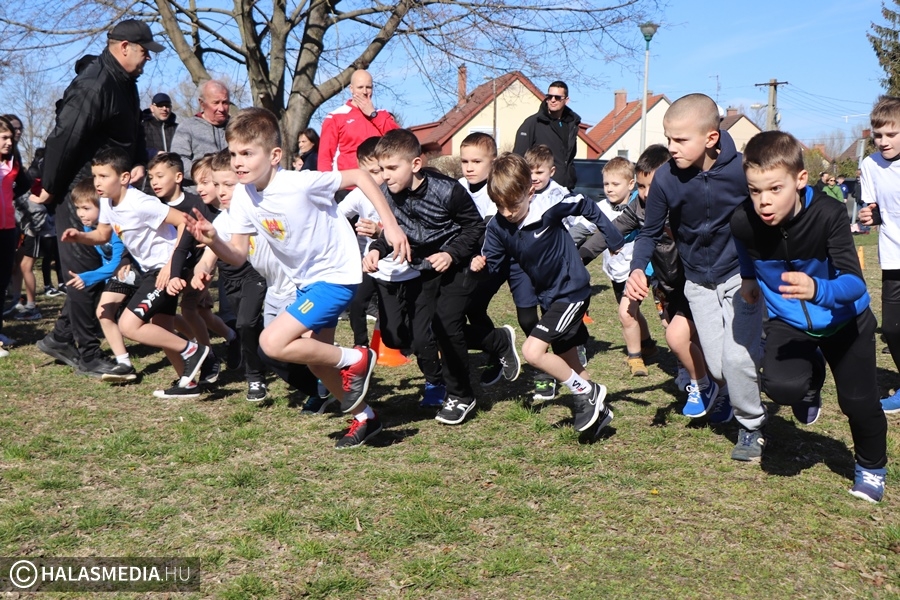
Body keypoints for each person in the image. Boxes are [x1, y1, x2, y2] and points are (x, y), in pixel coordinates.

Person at [185, 107, 409, 449]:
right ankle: (366, 418)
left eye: (247, 153)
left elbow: (361, 177)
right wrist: (213, 240)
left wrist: (390, 226)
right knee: (316, 362)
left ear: (275, 155)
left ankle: (357, 358)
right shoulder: (244, 196)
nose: (238, 162)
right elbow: (238, 254)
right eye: (234, 154)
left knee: (271, 342)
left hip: (337, 274)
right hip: (307, 282)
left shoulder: (299, 183)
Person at [732, 130, 888, 502]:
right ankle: (811, 379)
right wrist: (749, 277)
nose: (764, 202)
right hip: (789, 322)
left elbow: (855, 283)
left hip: (846, 321)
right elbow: (743, 246)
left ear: (800, 180)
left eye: (775, 189)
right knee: (782, 387)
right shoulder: (743, 220)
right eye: (754, 191)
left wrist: (819, 289)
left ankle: (871, 467)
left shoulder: (828, 214)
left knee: (858, 402)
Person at [625, 93, 767, 462]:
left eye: (680, 140)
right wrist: (637, 267)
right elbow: (648, 232)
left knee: (736, 359)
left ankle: (751, 427)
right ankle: (750, 367)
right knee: (719, 367)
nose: (671, 148)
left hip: (739, 276)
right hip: (698, 283)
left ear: (710, 138)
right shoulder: (666, 179)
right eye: (668, 138)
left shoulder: (741, 170)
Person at [32, 18, 163, 377]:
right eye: (144, 51)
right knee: (86, 269)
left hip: (110, 187)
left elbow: (132, 129)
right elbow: (65, 137)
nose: (148, 58)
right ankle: (88, 354)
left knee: (96, 270)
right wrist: (49, 185)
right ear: (124, 47)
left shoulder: (126, 82)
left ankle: (61, 338)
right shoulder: (95, 84)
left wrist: (138, 161)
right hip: (82, 190)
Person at [471, 153, 624, 436]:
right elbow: (493, 263)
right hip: (548, 298)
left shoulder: (549, 208)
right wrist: (480, 266)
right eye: (500, 205)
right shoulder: (498, 226)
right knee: (568, 360)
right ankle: (597, 412)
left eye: (513, 204)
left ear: (529, 191)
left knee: (532, 351)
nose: (507, 212)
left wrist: (613, 238)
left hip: (572, 291)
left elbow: (586, 204)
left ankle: (588, 392)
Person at [61, 147, 209, 398]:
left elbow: (184, 222)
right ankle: (188, 384)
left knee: (128, 325)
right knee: (161, 328)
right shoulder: (107, 201)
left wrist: (171, 266)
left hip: (166, 269)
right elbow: (102, 235)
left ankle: (194, 351)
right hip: (152, 269)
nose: (97, 182)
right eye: (95, 176)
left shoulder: (140, 203)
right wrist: (80, 236)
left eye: (104, 176)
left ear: (124, 177)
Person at [364, 129, 485, 425]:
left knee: (446, 324)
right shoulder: (386, 195)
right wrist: (377, 249)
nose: (385, 176)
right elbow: (394, 233)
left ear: (415, 164)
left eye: (392, 168)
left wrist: (451, 254)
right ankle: (497, 342)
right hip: (424, 269)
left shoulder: (448, 190)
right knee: (420, 336)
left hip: (460, 264)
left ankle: (461, 395)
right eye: (381, 169)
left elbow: (475, 227)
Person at [613, 144, 723, 414]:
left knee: (691, 338)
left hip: (697, 283)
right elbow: (622, 232)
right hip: (665, 283)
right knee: (674, 331)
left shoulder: (688, 205)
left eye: (651, 186)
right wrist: (578, 254)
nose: (646, 193)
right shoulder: (641, 209)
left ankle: (712, 386)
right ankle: (698, 379)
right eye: (641, 187)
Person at [146, 152, 238, 384]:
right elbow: (179, 245)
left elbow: (213, 243)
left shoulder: (206, 207)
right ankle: (228, 338)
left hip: (201, 268)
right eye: (151, 177)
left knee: (189, 310)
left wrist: (204, 267)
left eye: (160, 176)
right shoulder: (163, 206)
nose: (200, 188)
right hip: (181, 269)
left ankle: (208, 356)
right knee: (196, 312)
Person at [191, 150, 269, 402]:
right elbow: (207, 259)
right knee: (249, 326)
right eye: (217, 185)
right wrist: (200, 273)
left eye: (228, 185)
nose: (221, 192)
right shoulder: (222, 221)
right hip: (232, 281)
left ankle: (255, 377)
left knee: (245, 323)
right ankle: (262, 358)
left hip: (257, 275)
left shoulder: (261, 209)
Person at [457, 132, 521, 392]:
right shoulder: (458, 187)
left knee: (469, 305)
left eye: (476, 161)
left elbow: (485, 230)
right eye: (465, 161)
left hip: (495, 261)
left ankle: (499, 346)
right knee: (471, 309)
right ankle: (496, 347)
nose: (469, 168)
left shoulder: (495, 189)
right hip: (468, 261)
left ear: (493, 163)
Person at [65, 177, 136, 382]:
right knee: (104, 312)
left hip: (136, 272)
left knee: (158, 319)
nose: (80, 214)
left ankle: (192, 342)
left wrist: (88, 277)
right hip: (119, 279)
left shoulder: (114, 228)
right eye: (78, 208)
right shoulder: (89, 228)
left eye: (86, 208)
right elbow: (107, 260)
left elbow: (118, 263)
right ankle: (123, 363)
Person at [594, 157, 659, 377]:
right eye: (606, 184)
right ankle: (647, 344)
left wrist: (616, 239)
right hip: (616, 272)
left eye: (615, 184)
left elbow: (639, 232)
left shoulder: (638, 204)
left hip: (639, 270)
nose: (609, 189)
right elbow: (586, 231)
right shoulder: (601, 207)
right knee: (632, 312)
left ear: (630, 184)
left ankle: (635, 358)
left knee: (626, 312)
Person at [858, 96, 900, 413]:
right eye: (878, 135)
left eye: (891, 134)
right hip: (893, 256)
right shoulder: (870, 165)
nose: (883, 141)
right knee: (893, 329)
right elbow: (872, 210)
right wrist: (868, 216)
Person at [317, 70, 399, 171]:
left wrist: (373, 115)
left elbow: (399, 141)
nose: (364, 92)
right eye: (360, 87)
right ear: (351, 89)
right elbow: (324, 159)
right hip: (349, 179)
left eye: (368, 87)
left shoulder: (382, 115)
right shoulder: (335, 117)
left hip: (379, 177)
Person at [0, 116, 31, 356]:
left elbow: (25, 184)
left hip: (8, 228)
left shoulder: (13, 163)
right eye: (4, 138)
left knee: (2, 283)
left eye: (11, 138)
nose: (9, 142)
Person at [513, 81, 582, 188]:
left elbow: (569, 158)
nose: (553, 100)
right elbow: (518, 158)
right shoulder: (533, 123)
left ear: (566, 100)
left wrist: (571, 178)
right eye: (549, 97)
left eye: (557, 97)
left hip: (565, 187)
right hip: (540, 188)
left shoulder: (571, 124)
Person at [170, 80, 231, 180]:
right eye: (216, 103)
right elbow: (177, 160)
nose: (221, 108)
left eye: (225, 102)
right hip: (197, 188)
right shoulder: (187, 127)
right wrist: (204, 174)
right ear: (202, 103)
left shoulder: (236, 127)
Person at [142, 92, 178, 157]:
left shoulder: (178, 129)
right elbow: (136, 150)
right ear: (152, 108)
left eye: (167, 105)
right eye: (160, 105)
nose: (164, 109)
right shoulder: (142, 128)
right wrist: (155, 153)